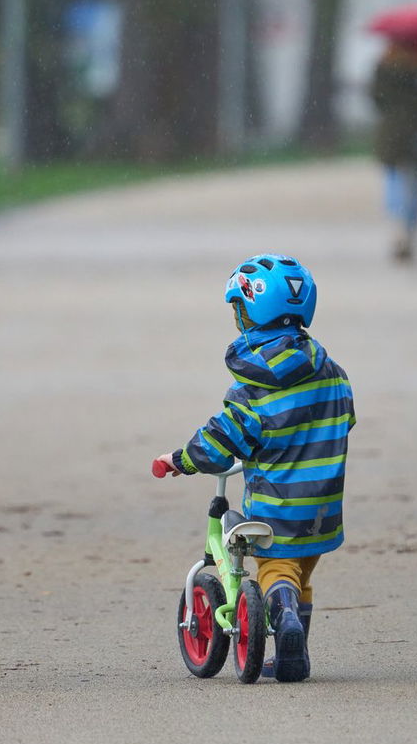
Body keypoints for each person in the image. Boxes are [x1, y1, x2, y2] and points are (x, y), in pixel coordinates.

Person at [151, 254, 356, 682]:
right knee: (300, 573)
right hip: (322, 507)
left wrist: (181, 460)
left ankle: (284, 621)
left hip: (276, 504)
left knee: (276, 570)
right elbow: (346, 417)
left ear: (250, 314)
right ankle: (290, 654)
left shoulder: (252, 390)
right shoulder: (333, 373)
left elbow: (221, 439)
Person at [369, 39, 417, 262]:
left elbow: (376, 97)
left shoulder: (383, 65)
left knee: (393, 181)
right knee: (413, 183)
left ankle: (397, 230)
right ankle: (411, 228)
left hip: (390, 132)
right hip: (416, 131)